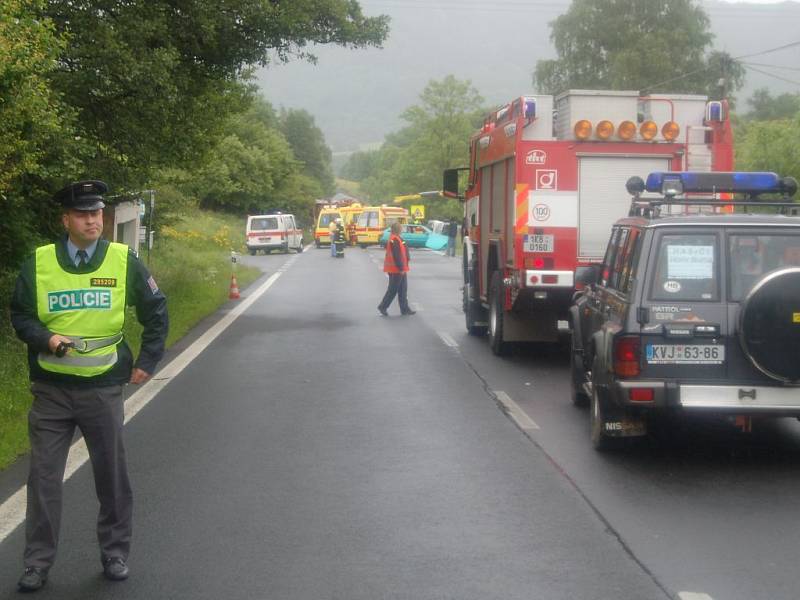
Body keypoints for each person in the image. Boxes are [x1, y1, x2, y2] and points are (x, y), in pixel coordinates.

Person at [10, 181, 169, 592]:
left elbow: (156, 309)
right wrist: (46, 338)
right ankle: (37, 563)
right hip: (51, 392)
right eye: (83, 214)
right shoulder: (39, 263)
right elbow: (22, 316)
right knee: (43, 480)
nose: (92, 220)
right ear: (66, 219)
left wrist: (149, 360)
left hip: (103, 389)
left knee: (111, 478)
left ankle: (115, 553)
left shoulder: (123, 260)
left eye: (96, 213)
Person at [377, 221, 415, 316]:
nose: (401, 229)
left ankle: (405, 309)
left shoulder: (398, 238)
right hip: (396, 269)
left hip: (400, 269)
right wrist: (401, 268)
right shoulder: (394, 240)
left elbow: (405, 246)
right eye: (400, 228)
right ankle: (383, 307)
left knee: (403, 290)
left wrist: (407, 257)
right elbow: (397, 256)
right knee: (393, 290)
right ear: (397, 229)